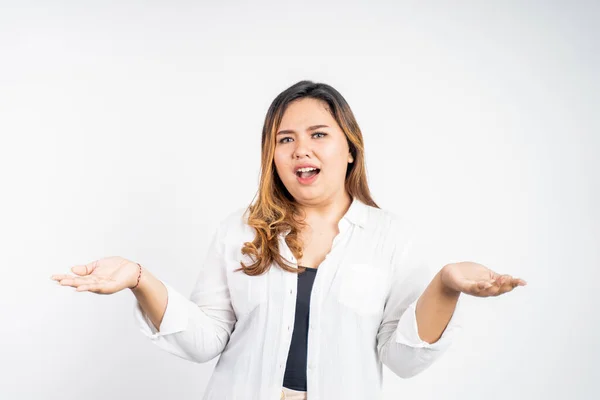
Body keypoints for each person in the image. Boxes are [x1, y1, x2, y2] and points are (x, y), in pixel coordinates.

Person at [51, 80, 527, 400]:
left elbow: (401, 359)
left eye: (319, 134)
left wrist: (446, 285)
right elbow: (204, 341)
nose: (301, 149)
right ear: (272, 155)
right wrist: (139, 277)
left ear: (349, 149)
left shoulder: (392, 238)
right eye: (285, 139)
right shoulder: (240, 230)